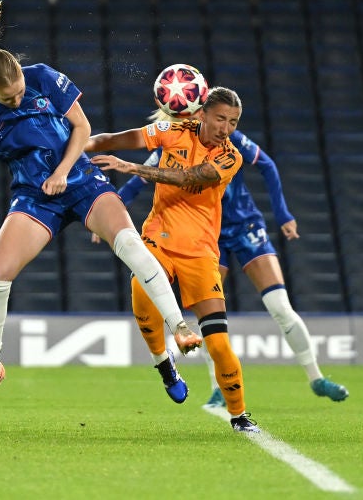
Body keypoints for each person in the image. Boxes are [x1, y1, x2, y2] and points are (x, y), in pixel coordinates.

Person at [0, 0, 202, 411]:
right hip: (34, 197)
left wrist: (63, 171)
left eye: (17, 94)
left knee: (129, 243)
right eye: (6, 97)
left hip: (81, 180)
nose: (14, 100)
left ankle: (179, 326)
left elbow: (84, 129)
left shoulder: (43, 78)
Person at [103, 105, 348, 405]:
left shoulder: (229, 141)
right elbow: (140, 180)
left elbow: (267, 164)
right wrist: (111, 210)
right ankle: (218, 387)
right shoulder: (176, 140)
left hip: (246, 225)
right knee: (210, 315)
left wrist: (283, 214)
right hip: (207, 235)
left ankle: (316, 378)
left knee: (280, 306)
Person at [86, 86, 261, 432]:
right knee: (140, 290)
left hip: (200, 252)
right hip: (158, 239)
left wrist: (130, 168)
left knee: (219, 345)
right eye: (221, 118)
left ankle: (239, 416)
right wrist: (73, 144)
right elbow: (113, 138)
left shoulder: (230, 157)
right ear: (202, 114)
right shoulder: (172, 131)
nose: (226, 128)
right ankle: (164, 364)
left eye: (234, 121)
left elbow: (189, 179)